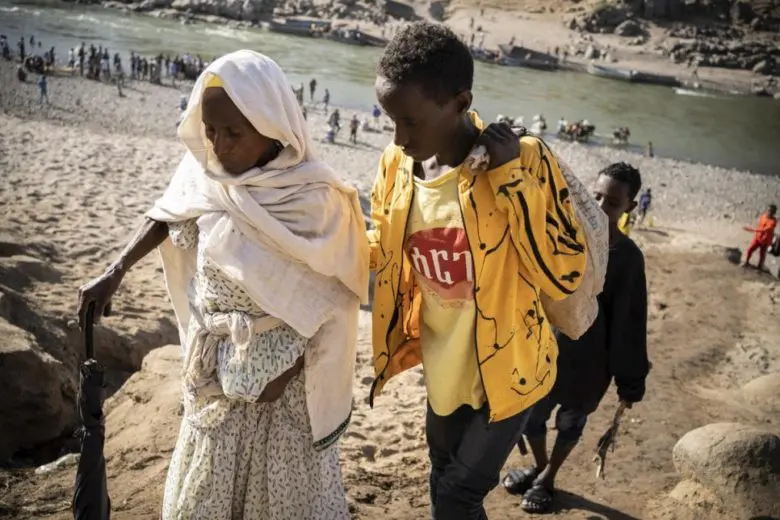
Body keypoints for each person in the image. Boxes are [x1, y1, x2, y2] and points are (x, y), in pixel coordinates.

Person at [76, 50, 369, 520]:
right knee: (205, 490)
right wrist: (118, 268)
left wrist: (285, 369)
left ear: (272, 126)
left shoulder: (315, 199)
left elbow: (334, 293)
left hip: (282, 383)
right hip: (216, 367)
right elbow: (170, 210)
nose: (220, 144)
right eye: (211, 130)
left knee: (276, 497)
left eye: (235, 132)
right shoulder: (206, 172)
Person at [367, 22, 587, 520]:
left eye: (412, 122)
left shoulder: (524, 160)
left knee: (457, 497)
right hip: (443, 363)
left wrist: (509, 179)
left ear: (460, 100)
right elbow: (381, 248)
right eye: (391, 122)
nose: (399, 138)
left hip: (511, 369)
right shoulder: (396, 165)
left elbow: (564, 271)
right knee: (442, 476)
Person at [502, 162, 650, 513]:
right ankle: (539, 466)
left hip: (590, 364)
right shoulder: (563, 238)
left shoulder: (627, 258)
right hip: (545, 349)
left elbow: (630, 322)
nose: (600, 206)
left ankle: (549, 477)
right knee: (531, 417)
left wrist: (631, 381)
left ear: (630, 207)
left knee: (570, 421)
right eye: (595, 195)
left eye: (612, 202)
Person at [743, 204, 777, 270]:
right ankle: (746, 262)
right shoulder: (763, 216)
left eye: (772, 212)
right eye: (769, 210)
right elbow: (760, 225)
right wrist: (756, 234)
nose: (769, 212)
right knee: (750, 249)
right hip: (757, 238)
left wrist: (751, 230)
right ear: (767, 210)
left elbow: (765, 229)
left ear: (774, 213)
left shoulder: (773, 222)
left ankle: (759, 267)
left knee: (762, 255)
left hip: (765, 240)